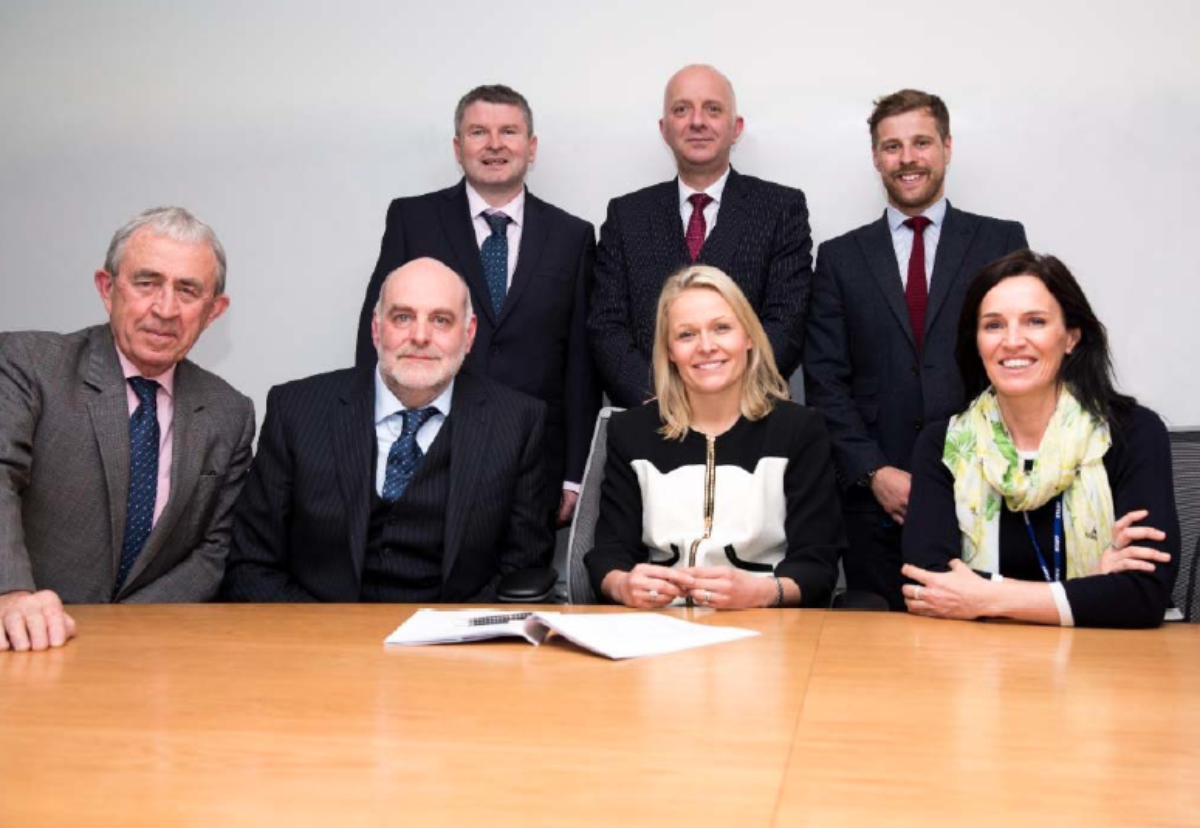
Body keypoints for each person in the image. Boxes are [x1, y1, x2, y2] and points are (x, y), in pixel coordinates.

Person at [804, 89, 1028, 609]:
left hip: (987, 487)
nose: (907, 158)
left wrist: (975, 468)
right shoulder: (840, 257)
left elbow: (1020, 362)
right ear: (876, 157)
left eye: (921, 142)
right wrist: (872, 471)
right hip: (872, 502)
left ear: (947, 147)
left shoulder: (1000, 241)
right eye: (892, 146)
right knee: (879, 657)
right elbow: (824, 378)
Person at [0, 206, 255, 651]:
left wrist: (123, 630)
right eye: (147, 283)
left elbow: (215, 548)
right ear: (107, 288)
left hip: (149, 655)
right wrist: (11, 594)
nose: (165, 308)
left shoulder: (229, 412)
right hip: (23, 641)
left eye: (188, 290)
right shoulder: (29, 363)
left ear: (214, 310)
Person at [224, 258, 552, 602]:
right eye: (403, 317)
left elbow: (521, 569)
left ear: (468, 335)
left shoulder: (517, 422)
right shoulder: (295, 411)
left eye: (441, 320)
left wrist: (449, 642)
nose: (420, 337)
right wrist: (326, 642)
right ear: (376, 329)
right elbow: (251, 564)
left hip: (453, 645)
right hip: (321, 639)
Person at [354, 84, 599, 528]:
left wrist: (574, 474)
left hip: (532, 460)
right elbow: (376, 335)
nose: (494, 145)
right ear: (457, 146)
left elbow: (581, 366)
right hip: (425, 444)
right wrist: (364, 443)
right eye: (478, 132)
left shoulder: (572, 235)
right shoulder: (413, 219)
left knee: (519, 586)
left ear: (531, 146)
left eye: (508, 131)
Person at [901, 250, 1179, 628]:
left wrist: (982, 597)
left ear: (1071, 338)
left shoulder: (1132, 434)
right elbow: (927, 586)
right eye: (993, 325)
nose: (1013, 341)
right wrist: (1092, 589)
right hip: (975, 668)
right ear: (977, 342)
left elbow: (1144, 596)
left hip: (1102, 670)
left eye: (1035, 321)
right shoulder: (945, 444)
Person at [586, 265, 843, 609]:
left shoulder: (799, 430)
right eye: (686, 335)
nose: (706, 346)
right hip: (659, 632)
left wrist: (763, 592)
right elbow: (609, 555)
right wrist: (622, 586)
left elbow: (817, 565)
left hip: (766, 631)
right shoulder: (630, 432)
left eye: (721, 328)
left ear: (748, 337)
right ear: (669, 351)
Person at [589, 64, 812, 408]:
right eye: (682, 109)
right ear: (664, 130)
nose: (697, 122)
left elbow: (787, 322)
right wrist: (660, 400)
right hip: (651, 423)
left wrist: (727, 401)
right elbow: (607, 326)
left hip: (749, 418)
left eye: (713, 109)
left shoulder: (781, 208)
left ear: (735, 127)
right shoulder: (626, 215)